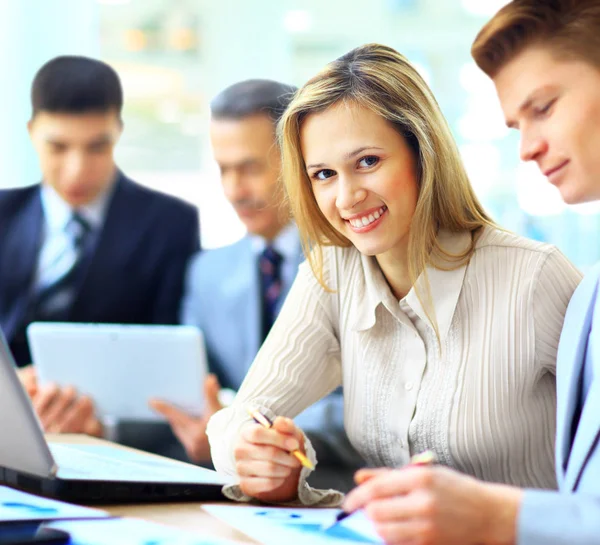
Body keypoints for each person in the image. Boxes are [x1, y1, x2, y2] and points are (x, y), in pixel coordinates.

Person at [206, 42, 582, 508]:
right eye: (323, 174)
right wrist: (256, 454)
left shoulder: (535, 278)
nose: (346, 198)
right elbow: (238, 419)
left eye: (367, 162)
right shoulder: (333, 273)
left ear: (423, 155)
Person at [339, 3, 600, 544]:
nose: (528, 147)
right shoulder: (592, 292)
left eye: (545, 107)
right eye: (517, 124)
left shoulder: (544, 277)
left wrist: (499, 516)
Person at [151, 79, 363, 490]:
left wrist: (244, 429)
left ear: (300, 160)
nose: (234, 190)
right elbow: (199, 389)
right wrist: (216, 432)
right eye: (223, 170)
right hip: (234, 493)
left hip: (340, 490)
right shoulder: (206, 272)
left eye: (249, 168)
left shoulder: (357, 258)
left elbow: (374, 402)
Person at [0, 56, 199, 438]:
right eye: (57, 147)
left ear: (119, 132)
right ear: (30, 132)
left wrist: (105, 426)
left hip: (106, 437)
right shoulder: (2, 216)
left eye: (96, 147)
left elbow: (170, 365)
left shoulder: (169, 225)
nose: (77, 169)